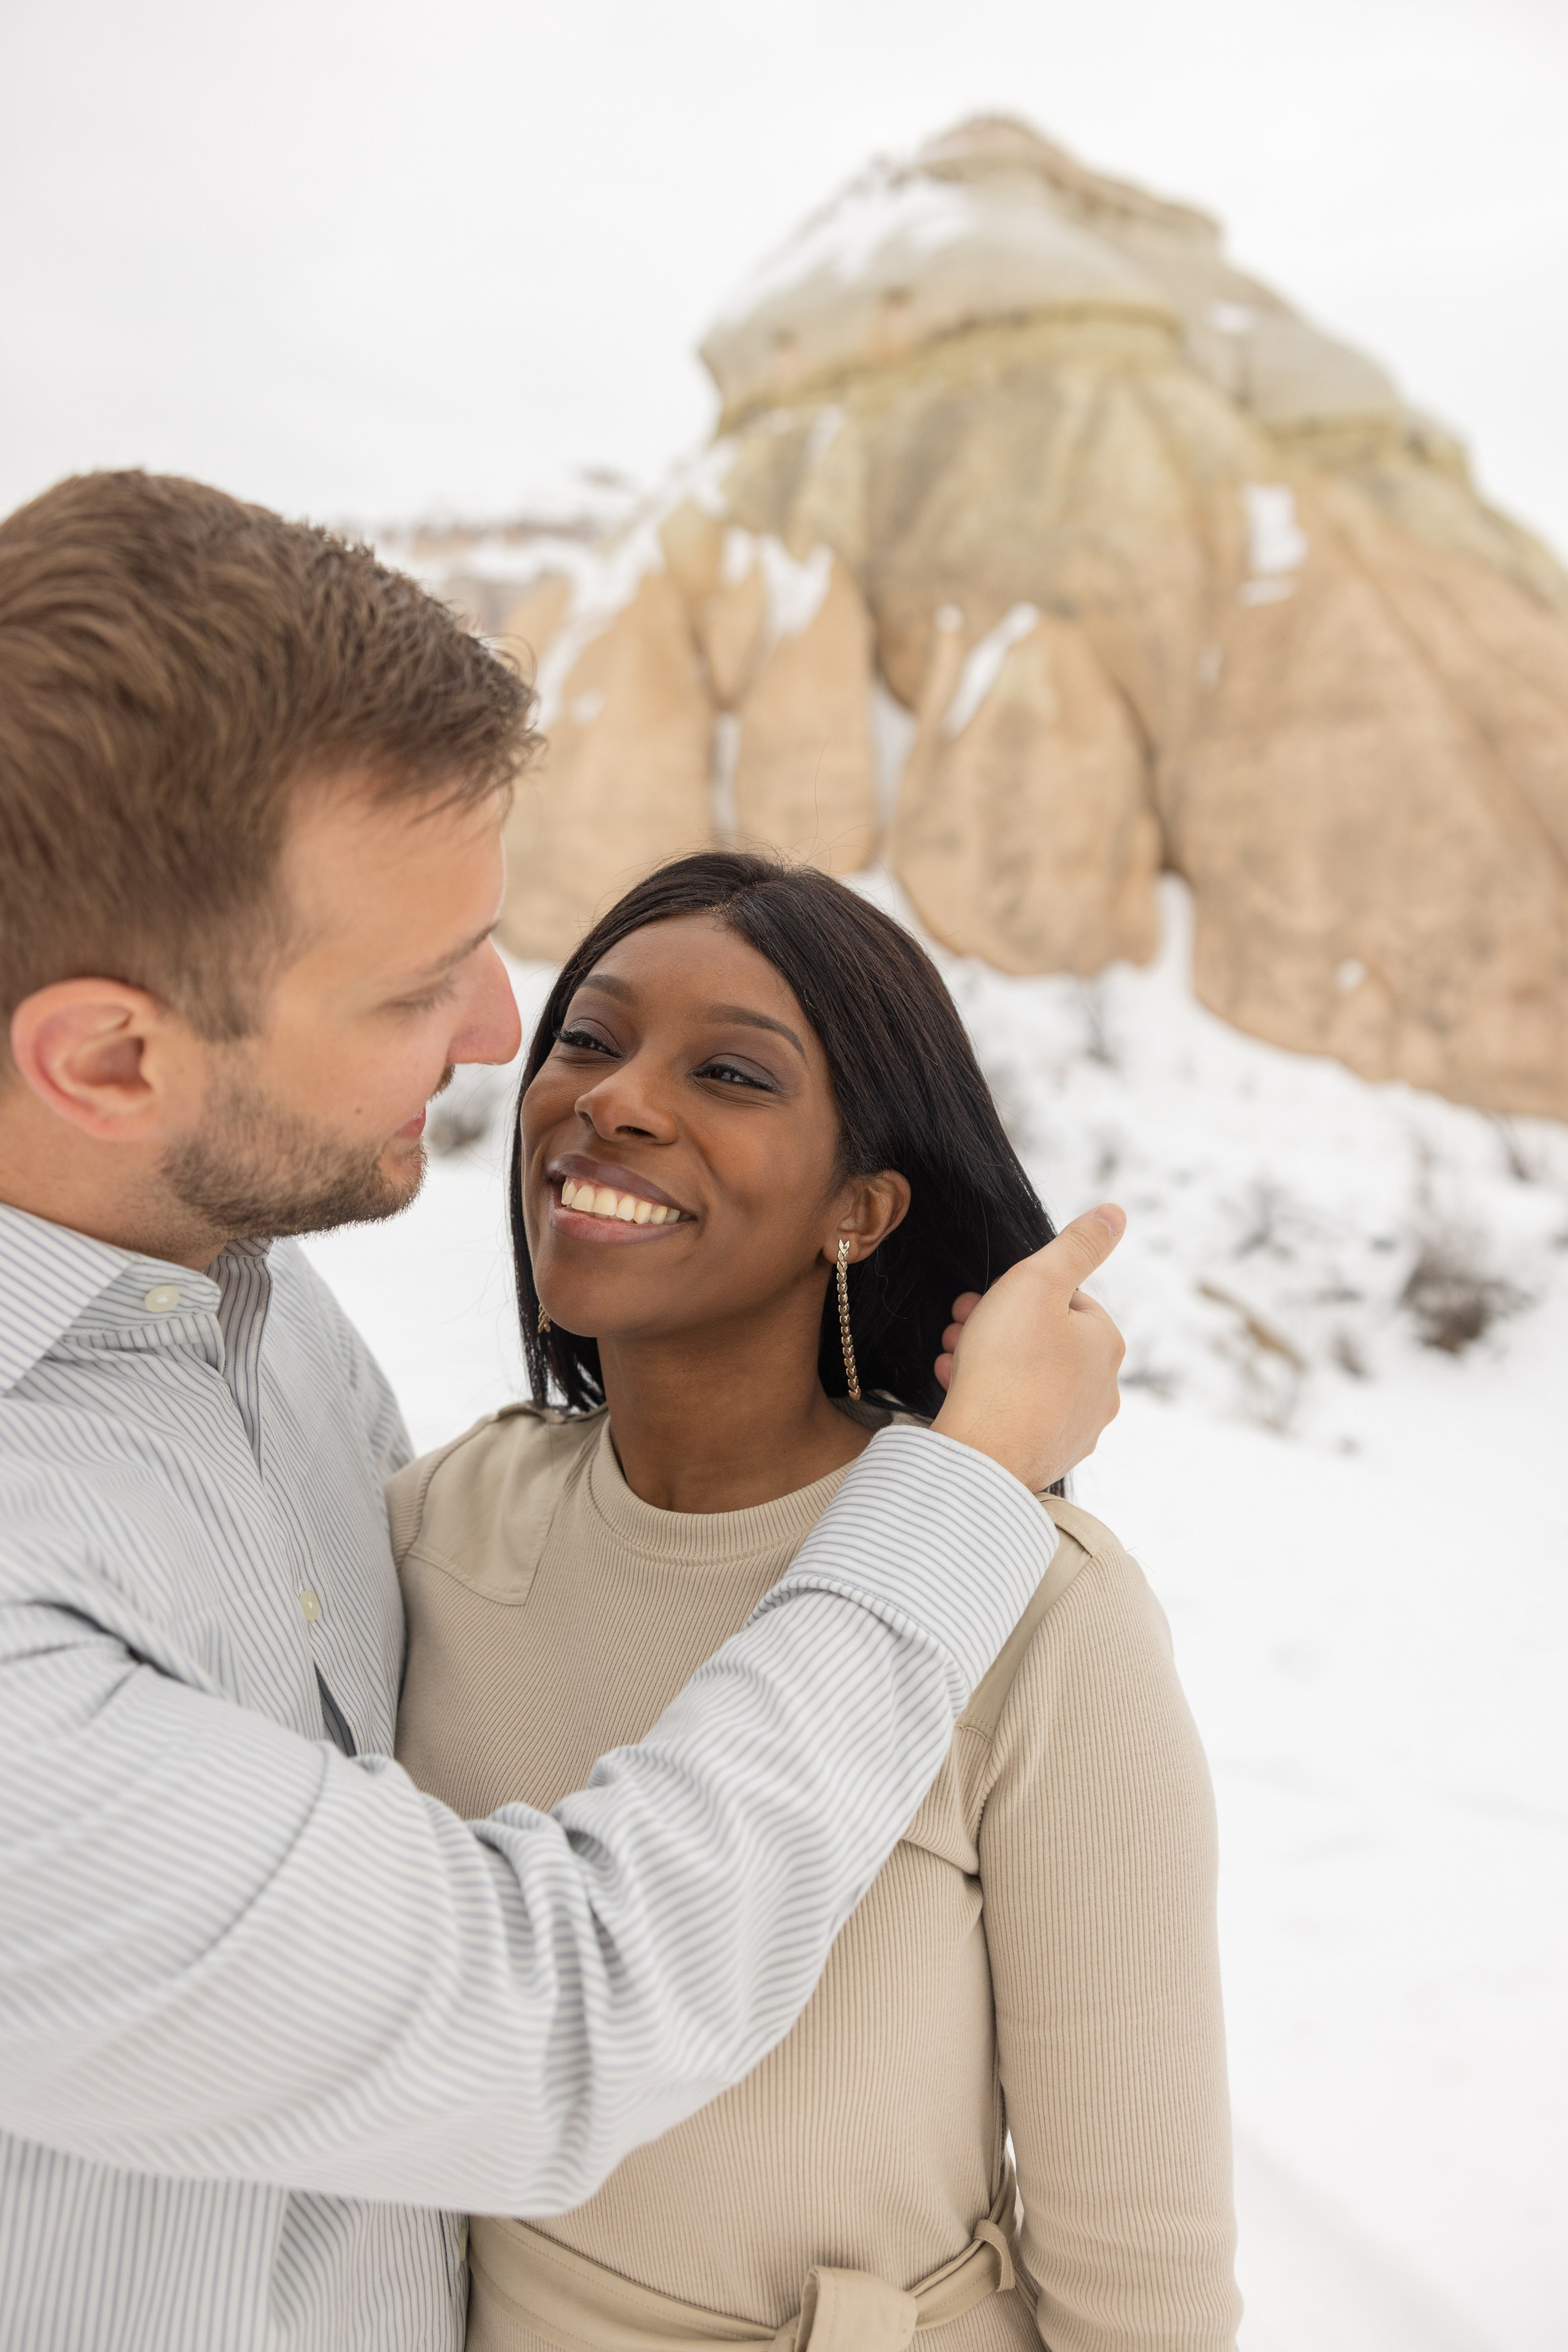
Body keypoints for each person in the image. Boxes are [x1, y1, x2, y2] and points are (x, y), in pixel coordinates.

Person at [0, 472, 1127, 2352]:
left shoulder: (244, 1307)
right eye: (416, 984)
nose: (493, 1030)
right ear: (112, 1058)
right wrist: (964, 1489)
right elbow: (554, 2013)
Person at [393, 852, 1240, 2352]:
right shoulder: (444, 1522)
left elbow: (1143, 2299)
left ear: (861, 1209)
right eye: (588, 1038)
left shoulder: (1042, 1617)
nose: (614, 1099)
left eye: (728, 1072)